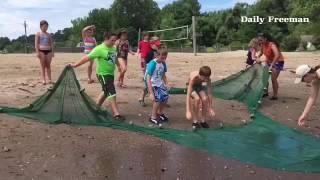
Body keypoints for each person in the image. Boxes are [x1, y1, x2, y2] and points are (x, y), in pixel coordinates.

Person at [70, 32, 125, 121]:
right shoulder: (99, 49)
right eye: (112, 40)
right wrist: (75, 65)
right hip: (102, 74)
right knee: (111, 91)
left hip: (110, 74)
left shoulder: (113, 48)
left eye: (115, 40)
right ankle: (116, 113)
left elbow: (114, 58)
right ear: (106, 39)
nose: (114, 42)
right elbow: (87, 58)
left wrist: (118, 66)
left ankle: (95, 108)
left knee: (106, 91)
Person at [257, 33, 285, 100]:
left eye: (261, 40)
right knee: (265, 77)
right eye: (259, 40)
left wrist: (272, 65)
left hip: (278, 62)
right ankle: (265, 92)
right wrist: (258, 57)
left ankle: (275, 95)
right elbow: (261, 52)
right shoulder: (263, 45)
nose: (259, 42)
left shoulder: (272, 44)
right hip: (268, 61)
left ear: (265, 39)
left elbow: (277, 55)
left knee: (273, 79)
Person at [147, 47, 169, 125]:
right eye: (162, 57)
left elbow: (163, 75)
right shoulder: (152, 64)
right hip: (152, 84)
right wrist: (151, 93)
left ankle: (160, 113)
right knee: (157, 99)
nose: (164, 59)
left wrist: (166, 83)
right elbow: (148, 78)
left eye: (165, 57)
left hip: (159, 83)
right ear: (158, 55)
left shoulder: (163, 63)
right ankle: (153, 117)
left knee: (166, 97)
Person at [139, 35, 161, 107]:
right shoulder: (149, 51)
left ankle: (160, 99)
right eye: (155, 44)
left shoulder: (157, 50)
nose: (157, 46)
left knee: (159, 84)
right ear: (152, 44)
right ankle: (141, 99)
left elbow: (161, 56)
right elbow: (145, 60)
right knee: (147, 86)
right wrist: (145, 69)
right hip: (149, 70)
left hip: (156, 70)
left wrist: (157, 49)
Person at [35, 20, 54, 85]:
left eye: (47, 26)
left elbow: (51, 43)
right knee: (42, 65)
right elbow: (36, 44)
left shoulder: (49, 34)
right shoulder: (38, 34)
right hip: (41, 51)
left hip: (48, 51)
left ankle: (50, 79)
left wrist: (52, 52)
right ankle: (43, 79)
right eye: (44, 26)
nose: (45, 28)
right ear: (41, 26)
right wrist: (37, 52)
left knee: (48, 65)